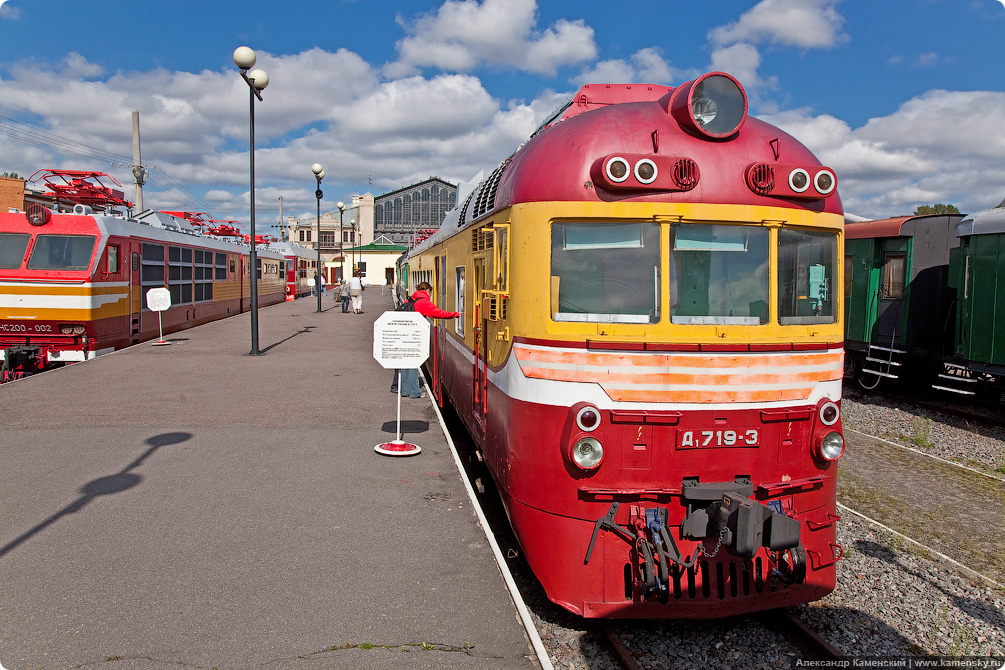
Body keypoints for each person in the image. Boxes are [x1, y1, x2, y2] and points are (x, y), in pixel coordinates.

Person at [390, 281, 460, 398]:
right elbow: (439, 313)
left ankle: (404, 389)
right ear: (428, 291)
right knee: (413, 363)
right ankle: (414, 391)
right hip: (413, 335)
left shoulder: (411, 299)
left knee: (405, 362)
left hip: (403, 334)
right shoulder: (423, 302)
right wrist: (455, 314)